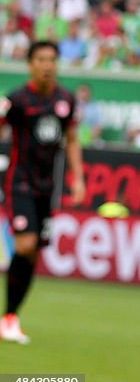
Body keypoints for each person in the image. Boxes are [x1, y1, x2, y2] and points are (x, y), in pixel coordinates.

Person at [0, 40, 85, 343]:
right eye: (41, 59)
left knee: (33, 253)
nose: (47, 65)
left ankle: (10, 317)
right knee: (25, 245)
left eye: (51, 59)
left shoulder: (66, 100)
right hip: (19, 182)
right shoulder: (17, 100)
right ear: (30, 64)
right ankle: (9, 318)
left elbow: (72, 139)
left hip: (46, 188)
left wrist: (78, 178)